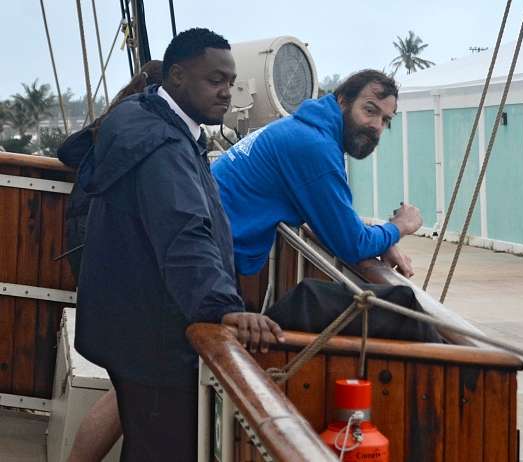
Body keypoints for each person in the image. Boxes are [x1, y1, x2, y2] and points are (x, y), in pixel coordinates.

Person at [73, 28, 283, 462]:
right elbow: (182, 233)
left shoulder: (151, 121)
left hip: (133, 324)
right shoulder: (162, 145)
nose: (226, 92)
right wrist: (221, 306)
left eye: (230, 81)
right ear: (177, 76)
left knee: (147, 444)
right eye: (214, 80)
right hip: (154, 337)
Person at [211, 70, 422, 279]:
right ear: (342, 101)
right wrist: (399, 226)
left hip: (203, 245)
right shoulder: (315, 147)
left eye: (385, 120)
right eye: (369, 110)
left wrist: (384, 240)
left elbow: (337, 218)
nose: (377, 126)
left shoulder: (303, 129)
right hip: (204, 260)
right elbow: (353, 244)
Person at [58, 60, 164, 279]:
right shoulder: (153, 125)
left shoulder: (114, 119)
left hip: (82, 226)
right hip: (111, 228)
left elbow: (68, 151)